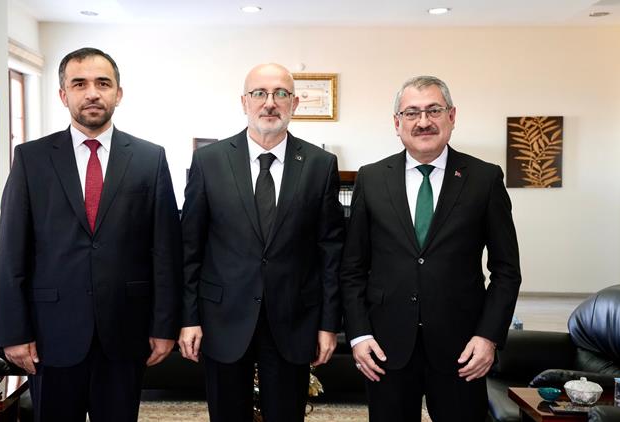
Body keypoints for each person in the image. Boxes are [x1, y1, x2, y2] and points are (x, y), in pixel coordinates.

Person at [0, 47, 182, 422]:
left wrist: (165, 326)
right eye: (79, 84)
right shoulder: (31, 158)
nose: (92, 93)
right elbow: (12, 252)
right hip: (51, 334)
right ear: (63, 95)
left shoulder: (150, 158)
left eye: (103, 83)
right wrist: (13, 331)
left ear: (118, 93)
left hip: (125, 331)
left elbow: (165, 251)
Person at [340, 75, 522, 421]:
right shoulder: (371, 179)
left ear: (452, 116)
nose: (423, 122)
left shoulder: (484, 179)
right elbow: (352, 269)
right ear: (397, 123)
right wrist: (359, 334)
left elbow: (506, 271)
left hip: (463, 349)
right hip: (386, 346)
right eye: (411, 113)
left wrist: (488, 337)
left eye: (433, 110)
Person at [178, 63, 345, 422]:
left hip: (293, 320)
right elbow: (190, 248)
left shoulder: (319, 165)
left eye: (280, 93)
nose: (270, 102)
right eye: (259, 93)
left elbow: (330, 252)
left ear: (294, 103)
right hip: (223, 318)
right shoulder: (209, 161)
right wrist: (188, 318)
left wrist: (328, 324)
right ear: (244, 101)